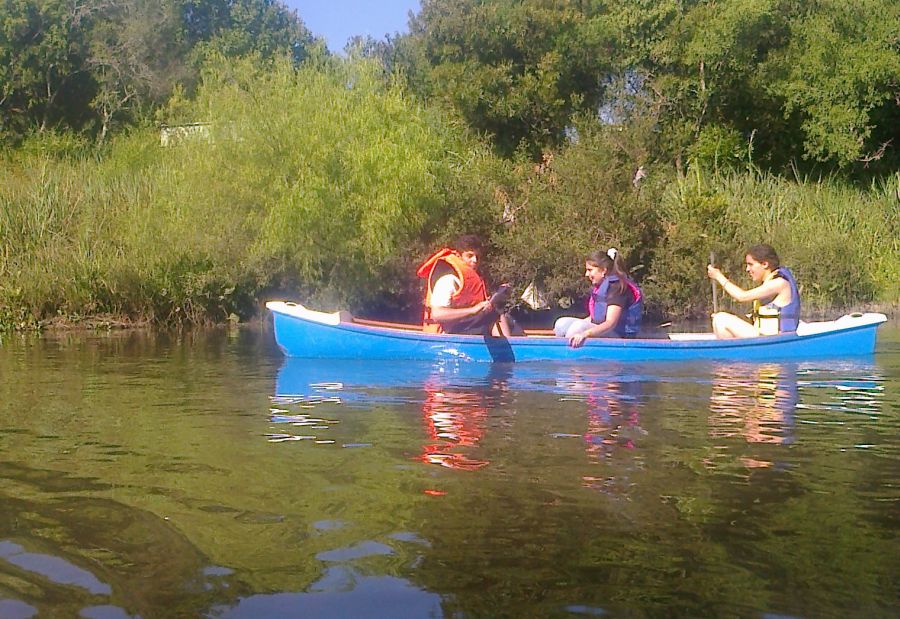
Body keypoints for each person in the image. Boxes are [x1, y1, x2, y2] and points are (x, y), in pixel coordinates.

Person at [417, 235, 517, 336]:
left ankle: (514, 346)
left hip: (462, 327)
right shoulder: (448, 280)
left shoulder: (470, 279)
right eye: (469, 256)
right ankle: (507, 350)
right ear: (459, 256)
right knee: (495, 316)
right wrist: (473, 310)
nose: (475, 260)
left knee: (506, 318)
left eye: (477, 257)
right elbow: (438, 315)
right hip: (444, 335)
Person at [706, 244, 800, 339]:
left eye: (751, 264)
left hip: (778, 341)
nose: (747, 269)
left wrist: (718, 276)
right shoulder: (769, 283)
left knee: (721, 319)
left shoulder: (779, 283)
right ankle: (733, 352)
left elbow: (742, 297)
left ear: (765, 264)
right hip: (768, 340)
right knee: (719, 319)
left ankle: (730, 352)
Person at [554, 248, 643, 347]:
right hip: (604, 330)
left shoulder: (617, 288)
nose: (586, 274)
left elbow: (610, 323)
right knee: (561, 324)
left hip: (620, 336)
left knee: (578, 327)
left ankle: (567, 357)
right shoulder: (602, 286)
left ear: (603, 270)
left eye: (590, 270)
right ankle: (562, 352)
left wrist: (585, 334)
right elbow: (595, 318)